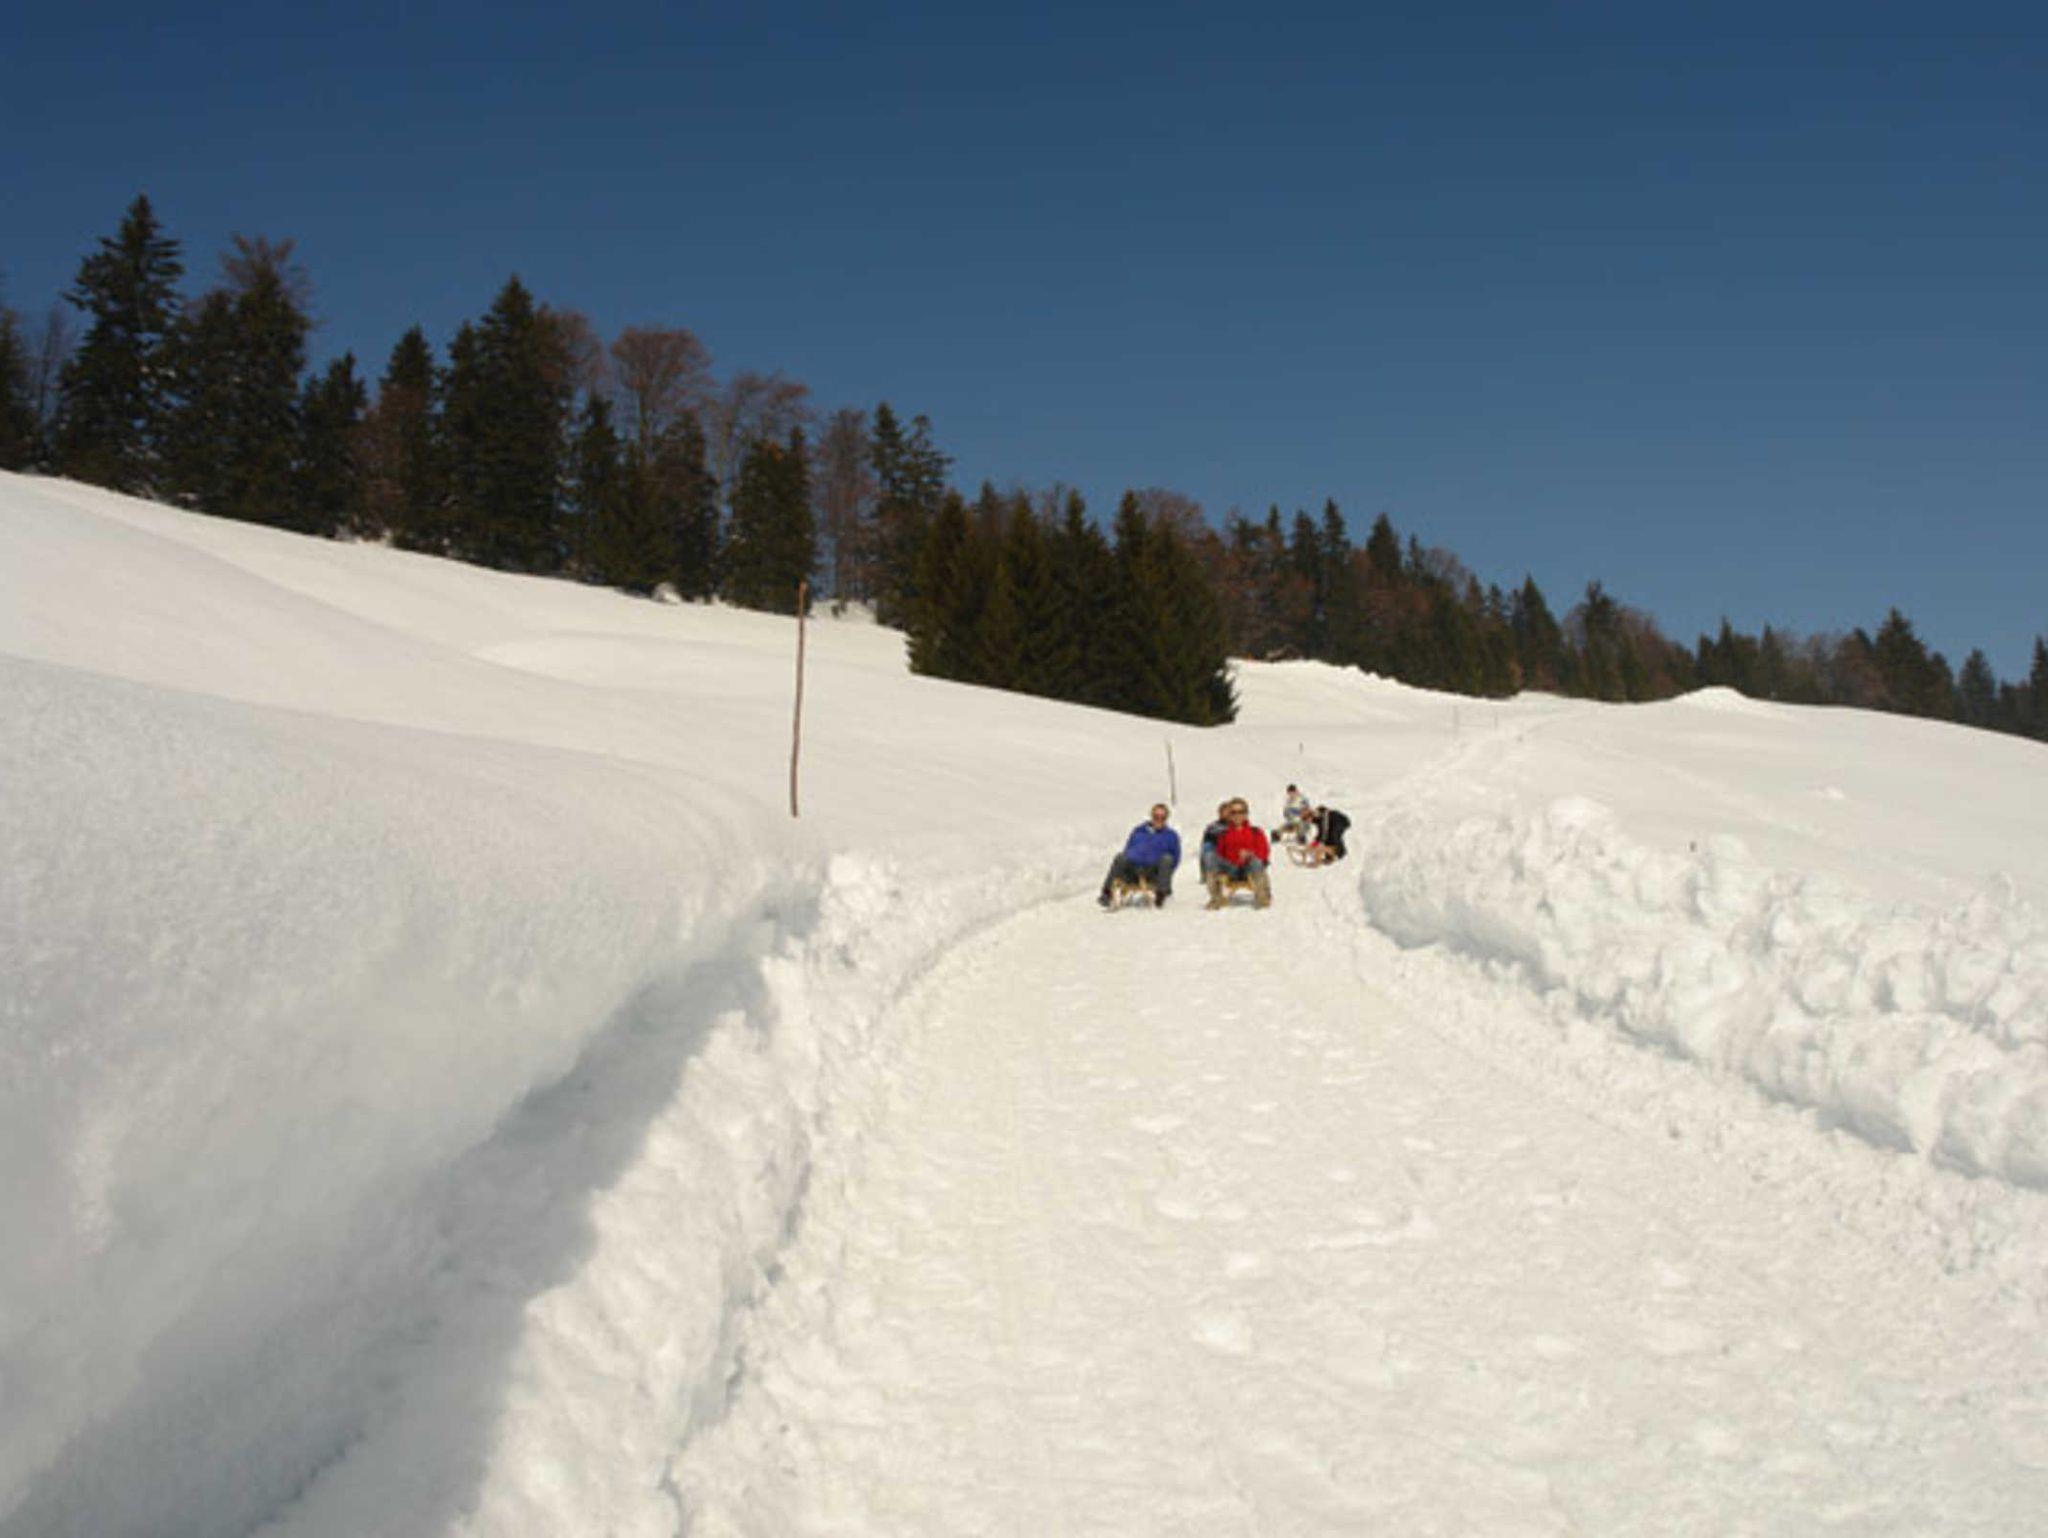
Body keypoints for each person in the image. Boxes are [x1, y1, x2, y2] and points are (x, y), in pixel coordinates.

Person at [1098, 803, 1182, 907]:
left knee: (1167, 859)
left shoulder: (1171, 836)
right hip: (1133, 869)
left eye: (1162, 818)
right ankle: (1107, 894)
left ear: (1166, 819)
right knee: (1120, 857)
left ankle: (1161, 895)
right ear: (1151, 816)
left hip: (1153, 871)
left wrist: (1165, 874)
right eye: (1156, 817)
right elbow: (1128, 848)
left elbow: (1175, 859)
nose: (1159, 820)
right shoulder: (1139, 831)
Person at [1206, 797, 1272, 909]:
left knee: (1256, 861)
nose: (1237, 815)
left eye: (1241, 812)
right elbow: (1220, 854)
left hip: (1249, 868)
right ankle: (1216, 898)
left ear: (1246, 814)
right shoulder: (1224, 834)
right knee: (1210, 856)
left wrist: (1250, 854)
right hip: (1232, 868)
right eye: (1234, 812)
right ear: (1230, 815)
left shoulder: (1255, 832)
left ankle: (1262, 897)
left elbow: (1264, 853)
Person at [1198, 800, 1232, 881]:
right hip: (1215, 849)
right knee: (1207, 849)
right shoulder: (1213, 826)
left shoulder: (1235, 825)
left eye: (1228, 812)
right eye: (1224, 812)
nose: (1226, 814)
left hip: (1230, 850)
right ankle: (1208, 874)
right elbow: (1206, 839)